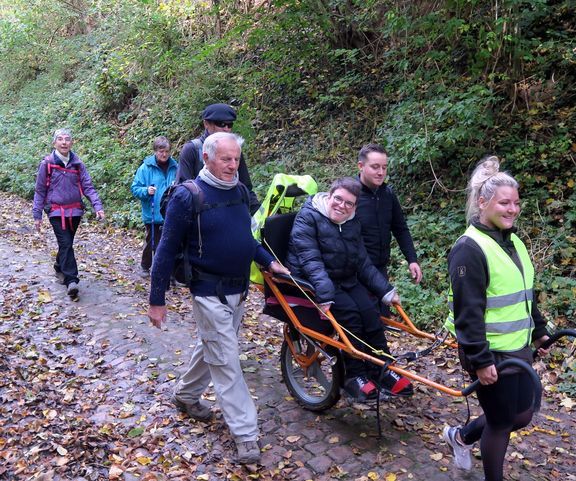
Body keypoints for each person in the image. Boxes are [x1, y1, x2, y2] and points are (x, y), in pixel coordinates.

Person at [147, 132, 289, 465]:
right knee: (226, 362)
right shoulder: (188, 196)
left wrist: (268, 261)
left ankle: (185, 395)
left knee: (213, 347)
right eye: (226, 159)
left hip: (239, 291)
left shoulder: (239, 191)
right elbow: (165, 250)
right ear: (207, 158)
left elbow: (246, 239)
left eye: (236, 159)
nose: (232, 165)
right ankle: (246, 433)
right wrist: (156, 298)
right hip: (208, 292)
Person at [442, 156, 550, 481]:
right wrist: (479, 359)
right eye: (504, 203)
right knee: (502, 422)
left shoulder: (512, 240)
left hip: (517, 347)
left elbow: (523, 291)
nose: (512, 209)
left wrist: (539, 330)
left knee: (522, 414)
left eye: (516, 203)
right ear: (482, 202)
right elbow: (468, 312)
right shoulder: (469, 249)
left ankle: (460, 436)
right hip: (489, 353)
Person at [286, 177, 413, 401]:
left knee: (372, 315)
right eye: (338, 199)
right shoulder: (309, 218)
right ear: (330, 195)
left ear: (355, 207)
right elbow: (311, 261)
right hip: (316, 281)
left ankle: (382, 369)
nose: (342, 206)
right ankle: (355, 376)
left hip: (345, 279)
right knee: (352, 319)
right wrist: (324, 296)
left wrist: (386, 291)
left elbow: (362, 262)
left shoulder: (352, 222)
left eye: (349, 204)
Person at [32, 128, 105, 297]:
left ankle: (59, 266)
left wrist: (97, 206)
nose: (64, 142)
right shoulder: (47, 164)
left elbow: (88, 186)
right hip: (56, 212)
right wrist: (37, 214)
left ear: (71, 143)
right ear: (54, 143)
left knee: (67, 244)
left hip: (75, 211)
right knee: (65, 243)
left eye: (67, 139)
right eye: (60, 139)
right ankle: (71, 280)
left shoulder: (78, 164)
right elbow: (40, 190)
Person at [356, 144, 422, 285]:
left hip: (381, 269)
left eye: (384, 167)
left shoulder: (387, 194)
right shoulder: (349, 195)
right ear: (360, 166)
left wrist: (412, 259)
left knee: (384, 307)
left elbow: (400, 229)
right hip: (356, 272)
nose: (381, 172)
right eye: (375, 167)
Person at [175, 102, 259, 214]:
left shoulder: (233, 149)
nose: (226, 129)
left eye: (230, 125)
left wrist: (260, 215)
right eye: (221, 124)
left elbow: (246, 187)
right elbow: (182, 191)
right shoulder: (192, 149)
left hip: (231, 212)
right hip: (203, 216)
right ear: (206, 124)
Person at [130, 136, 178, 276]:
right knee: (153, 241)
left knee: (170, 244)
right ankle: (145, 265)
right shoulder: (145, 168)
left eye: (166, 151)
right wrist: (146, 191)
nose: (164, 154)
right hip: (153, 213)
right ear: (155, 151)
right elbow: (135, 188)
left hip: (171, 212)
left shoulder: (176, 167)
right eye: (161, 151)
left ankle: (168, 271)